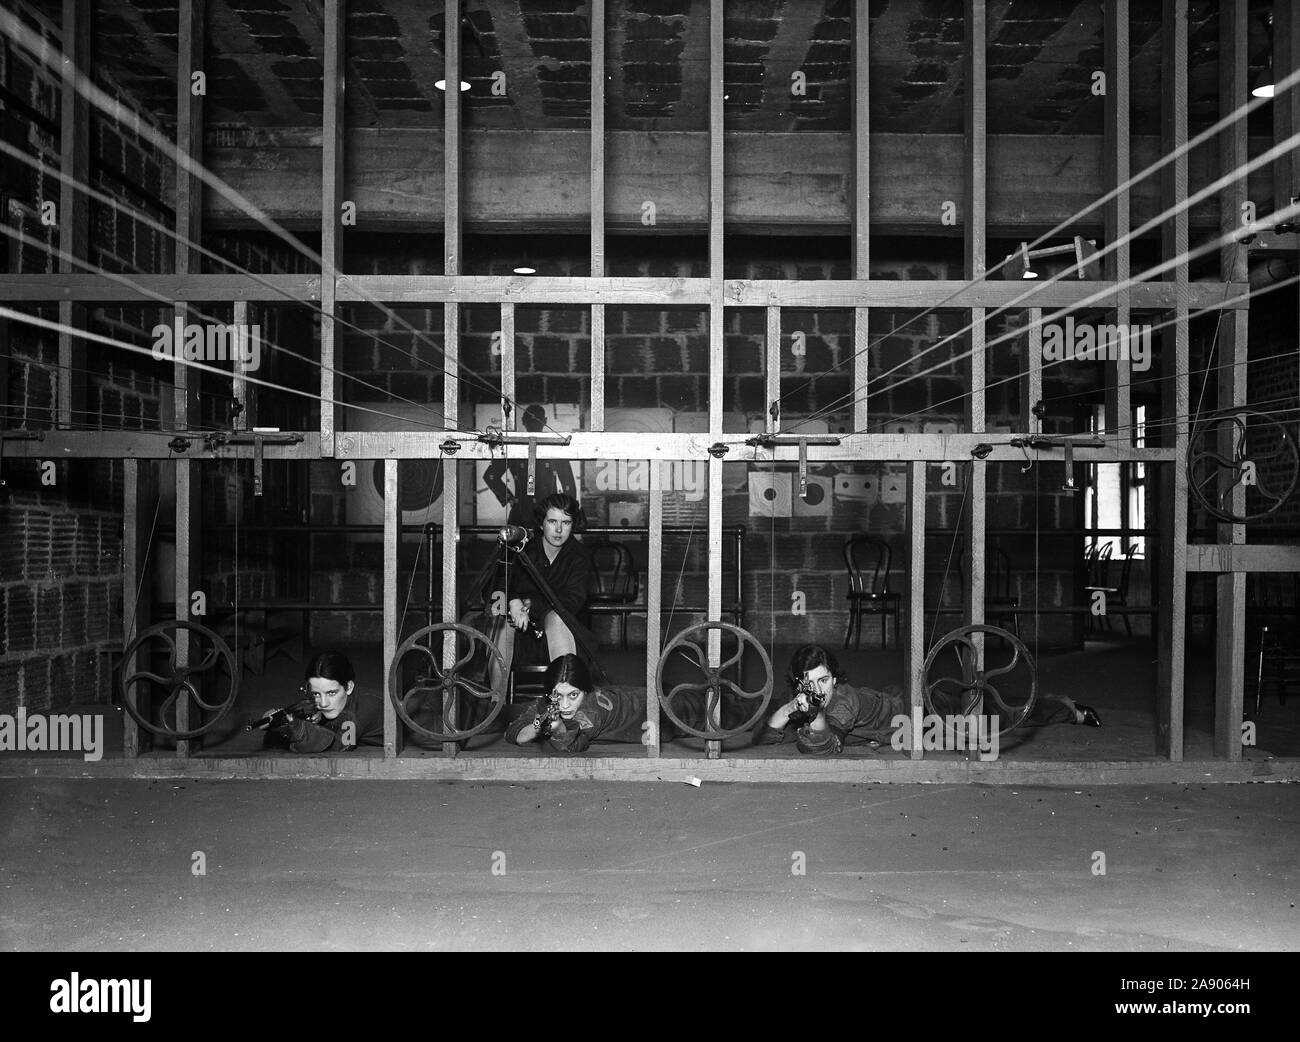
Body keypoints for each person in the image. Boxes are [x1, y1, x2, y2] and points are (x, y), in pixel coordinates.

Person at [755, 643, 1101, 756]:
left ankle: (1070, 709)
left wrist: (813, 714)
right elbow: (769, 736)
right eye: (811, 683)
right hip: (898, 717)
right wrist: (789, 709)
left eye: (825, 680)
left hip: (925, 712)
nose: (820, 689)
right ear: (799, 681)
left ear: (835, 677)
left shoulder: (841, 700)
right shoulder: (806, 696)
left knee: (1002, 715)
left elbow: (828, 747)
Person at [487, 492, 595, 692]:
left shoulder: (579, 556)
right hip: (520, 638)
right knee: (500, 617)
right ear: (541, 522)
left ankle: (565, 701)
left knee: (557, 617)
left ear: (573, 525)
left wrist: (527, 606)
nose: (559, 529)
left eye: (566, 522)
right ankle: (496, 703)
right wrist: (512, 602)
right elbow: (495, 587)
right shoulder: (522, 548)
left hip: (559, 635)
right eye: (552, 521)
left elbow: (572, 601)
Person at [505, 654, 650, 754]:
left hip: (648, 711)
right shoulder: (551, 700)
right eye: (558, 696)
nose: (565, 705)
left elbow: (570, 747)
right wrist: (538, 725)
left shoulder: (591, 712)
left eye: (573, 695)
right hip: (627, 695)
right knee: (507, 713)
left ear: (585, 691)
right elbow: (513, 732)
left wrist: (558, 727)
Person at [265, 652, 384, 753]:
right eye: (316, 694)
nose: (323, 703)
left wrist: (298, 729)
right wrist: (278, 722)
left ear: (349, 687)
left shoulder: (355, 716)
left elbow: (336, 750)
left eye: (331, 693)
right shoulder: (343, 702)